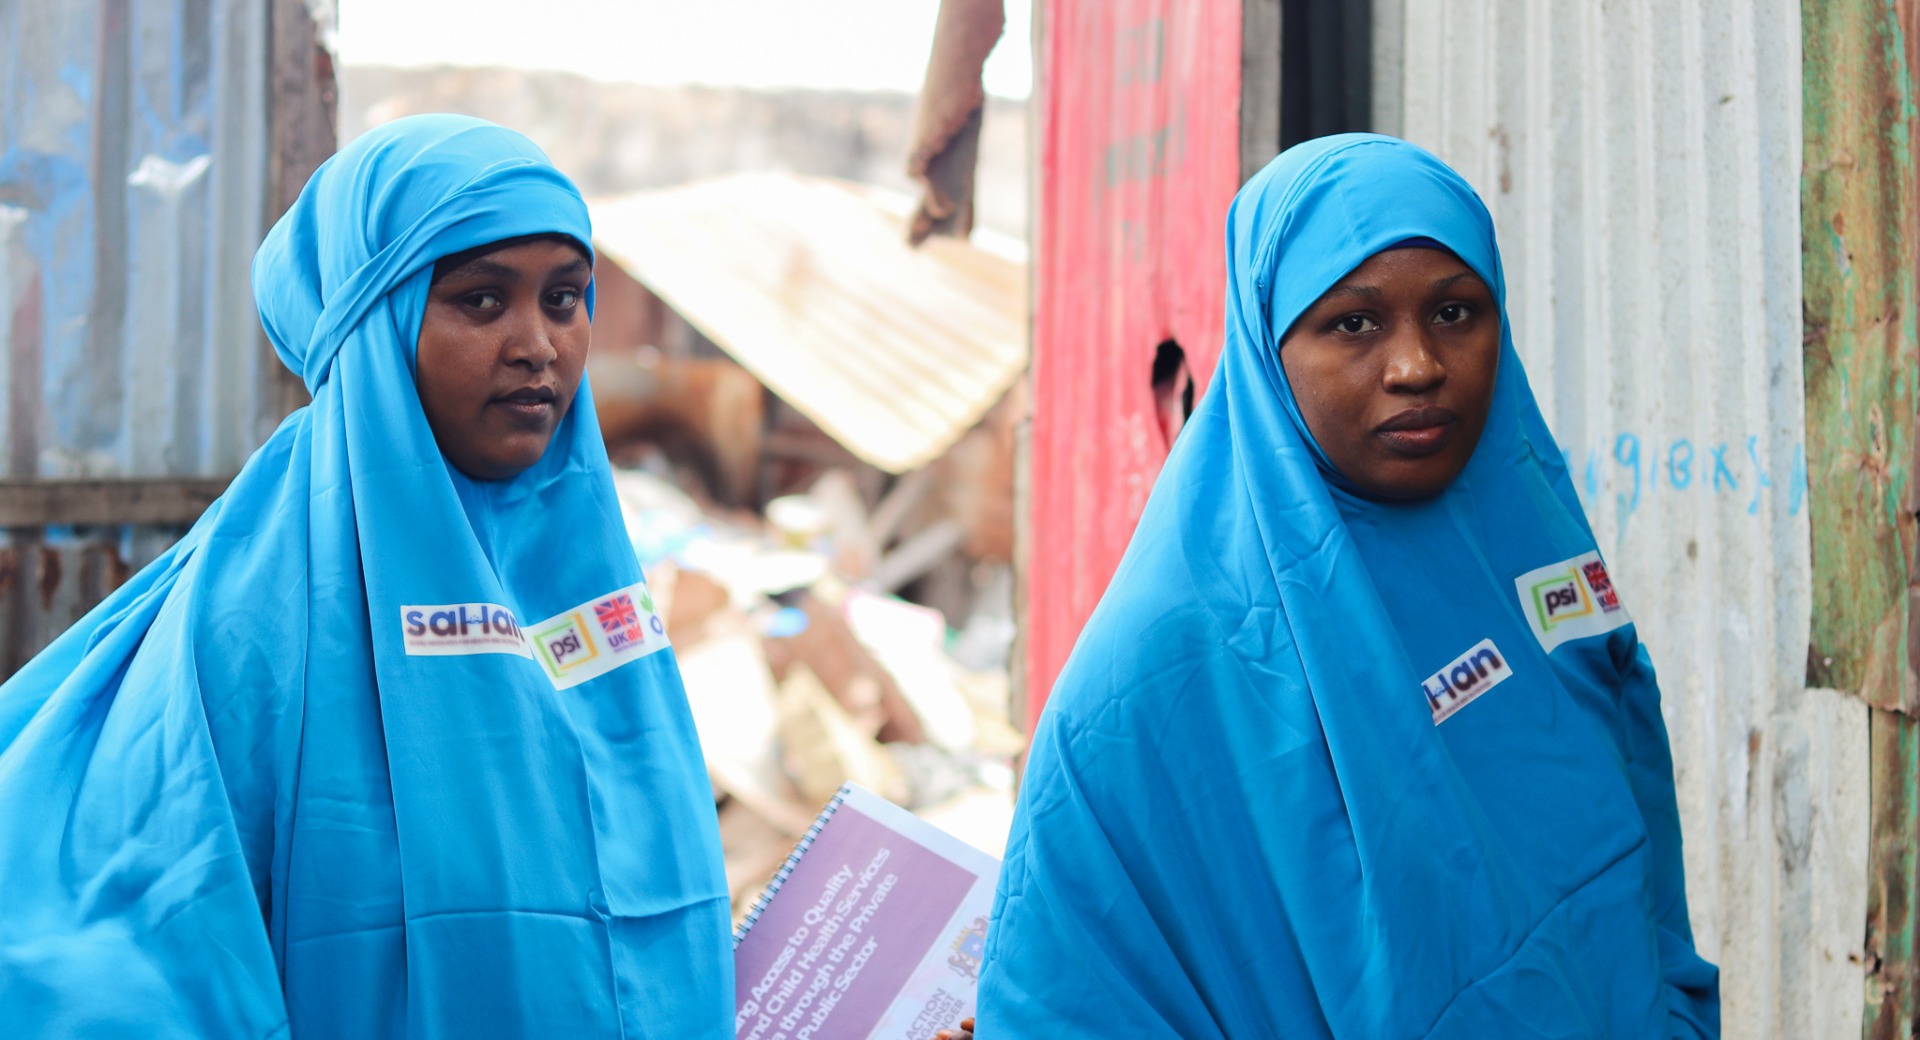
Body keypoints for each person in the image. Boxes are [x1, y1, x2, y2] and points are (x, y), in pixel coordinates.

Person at [0, 116, 734, 1038]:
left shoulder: (593, 593)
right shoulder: (259, 610)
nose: (538, 344)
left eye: (564, 297)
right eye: (479, 300)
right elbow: (127, 939)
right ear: (378, 322)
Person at [971, 135, 1720, 1037]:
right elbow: (1069, 991)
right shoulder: (1159, 670)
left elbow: (1636, 855)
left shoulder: (1524, 547)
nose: (1417, 366)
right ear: (1266, 347)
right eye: (1354, 324)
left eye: (1455, 312)